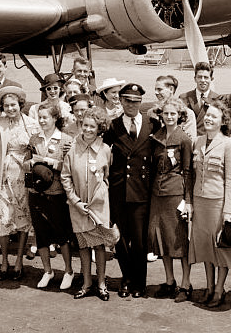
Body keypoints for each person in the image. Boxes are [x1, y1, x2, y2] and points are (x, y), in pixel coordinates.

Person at [103, 83, 154, 298]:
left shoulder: (153, 124)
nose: (131, 105)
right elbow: (103, 153)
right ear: (120, 101)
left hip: (142, 191)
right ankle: (126, 278)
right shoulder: (112, 126)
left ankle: (139, 282)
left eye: (136, 101)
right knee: (121, 239)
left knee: (140, 240)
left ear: (141, 103)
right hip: (119, 190)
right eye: (127, 101)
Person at [61, 107, 117, 301]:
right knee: (83, 246)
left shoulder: (105, 149)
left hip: (98, 206)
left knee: (100, 245)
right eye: (85, 125)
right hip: (77, 206)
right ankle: (86, 282)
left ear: (99, 127)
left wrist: (99, 197)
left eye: (92, 126)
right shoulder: (73, 148)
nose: (88, 129)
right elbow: (65, 177)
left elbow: (107, 178)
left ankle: (101, 283)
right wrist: (75, 201)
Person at [0, 86, 38, 280]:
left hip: (23, 178)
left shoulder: (30, 123)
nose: (10, 108)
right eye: (6, 105)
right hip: (4, 177)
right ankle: (4, 261)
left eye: (13, 104)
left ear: (20, 104)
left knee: (23, 219)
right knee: (4, 219)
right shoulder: (0, 122)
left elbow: (39, 145)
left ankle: (19, 262)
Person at [189, 101, 231, 307]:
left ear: (222, 122)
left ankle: (219, 289)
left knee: (220, 248)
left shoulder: (230, 144)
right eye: (207, 115)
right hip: (200, 202)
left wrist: (228, 211)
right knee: (205, 247)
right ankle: (209, 287)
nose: (208, 119)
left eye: (214, 116)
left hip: (218, 203)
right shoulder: (198, 142)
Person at [24, 103, 75, 291]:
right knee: (41, 233)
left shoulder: (66, 140)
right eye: (40, 117)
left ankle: (69, 271)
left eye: (46, 117)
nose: (42, 120)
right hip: (36, 193)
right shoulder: (34, 139)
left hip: (57, 193)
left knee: (62, 234)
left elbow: (68, 167)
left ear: (55, 118)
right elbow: (25, 164)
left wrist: (46, 161)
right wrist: (30, 162)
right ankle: (47, 271)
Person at [148, 96, 194, 301]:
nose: (169, 117)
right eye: (165, 113)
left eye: (173, 113)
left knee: (179, 240)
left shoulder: (184, 139)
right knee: (162, 239)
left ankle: (186, 284)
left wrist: (188, 201)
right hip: (157, 194)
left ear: (180, 116)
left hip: (176, 193)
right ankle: (169, 281)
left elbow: (188, 171)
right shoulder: (155, 137)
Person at [147, 74, 197, 142]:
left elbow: (190, 141)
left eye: (159, 89)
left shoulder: (187, 114)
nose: (156, 93)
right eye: (155, 89)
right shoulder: (152, 113)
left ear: (171, 89)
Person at [180, 61, 222, 135]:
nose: (202, 80)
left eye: (206, 77)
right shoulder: (184, 98)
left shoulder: (218, 99)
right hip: (188, 140)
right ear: (195, 79)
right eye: (199, 77)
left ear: (211, 79)